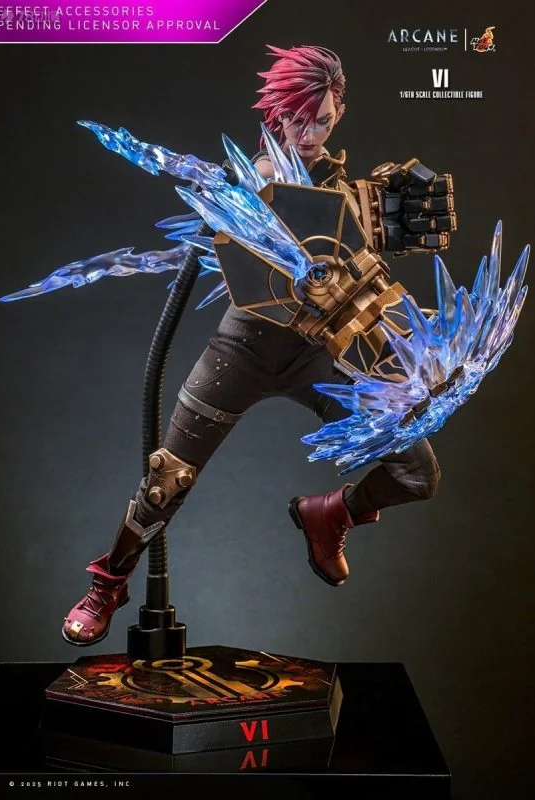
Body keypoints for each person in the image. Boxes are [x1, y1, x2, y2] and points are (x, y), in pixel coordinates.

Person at [63, 45, 453, 645]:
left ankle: (330, 513)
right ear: (276, 114)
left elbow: (363, 276)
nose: (310, 133)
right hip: (241, 353)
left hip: (318, 356)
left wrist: (387, 232)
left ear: (339, 114)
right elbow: (224, 241)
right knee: (166, 482)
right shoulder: (246, 182)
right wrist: (240, 202)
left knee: (417, 472)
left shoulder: (348, 193)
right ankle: (109, 582)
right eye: (298, 119)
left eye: (323, 120)